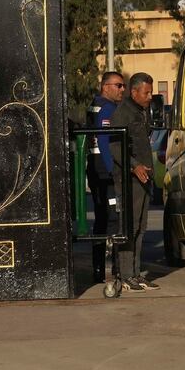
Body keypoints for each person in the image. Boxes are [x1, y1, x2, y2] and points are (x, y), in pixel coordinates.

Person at [102, 71, 159, 291]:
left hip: (144, 178)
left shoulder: (140, 111)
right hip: (129, 180)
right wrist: (134, 166)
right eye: (146, 92)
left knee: (141, 228)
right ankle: (126, 275)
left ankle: (135, 273)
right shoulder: (122, 114)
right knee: (129, 226)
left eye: (151, 92)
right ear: (134, 92)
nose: (150, 96)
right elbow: (115, 147)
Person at [83, 71, 124, 281]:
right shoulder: (107, 108)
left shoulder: (94, 105)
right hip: (105, 170)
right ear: (105, 86)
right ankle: (111, 269)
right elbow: (105, 141)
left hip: (94, 168)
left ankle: (98, 268)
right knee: (112, 219)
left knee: (101, 220)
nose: (122, 90)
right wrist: (113, 170)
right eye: (118, 86)